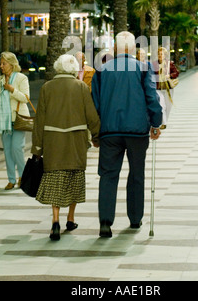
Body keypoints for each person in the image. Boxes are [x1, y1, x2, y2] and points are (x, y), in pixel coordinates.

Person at [91, 31, 162, 238]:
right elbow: (152, 97)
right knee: (136, 174)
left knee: (108, 175)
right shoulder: (142, 68)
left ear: (115, 49)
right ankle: (135, 217)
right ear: (132, 49)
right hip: (137, 131)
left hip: (109, 131)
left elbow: (94, 103)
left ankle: (105, 222)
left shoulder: (102, 70)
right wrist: (156, 123)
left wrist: (95, 132)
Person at [31, 54, 100, 241]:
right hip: (75, 142)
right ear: (73, 69)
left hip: (53, 142)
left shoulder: (47, 88)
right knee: (74, 179)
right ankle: (70, 218)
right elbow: (91, 115)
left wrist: (37, 147)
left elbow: (40, 121)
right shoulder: (81, 87)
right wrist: (97, 135)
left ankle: (55, 220)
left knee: (55, 180)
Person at [0, 52, 30, 190]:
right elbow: (1, 99)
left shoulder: (21, 78)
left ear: (12, 64)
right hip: (4, 120)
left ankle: (23, 176)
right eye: (0, 63)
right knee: (7, 151)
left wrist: (13, 90)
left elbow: (26, 98)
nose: (1, 66)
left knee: (16, 148)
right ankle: (11, 179)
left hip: (19, 119)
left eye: (4, 63)